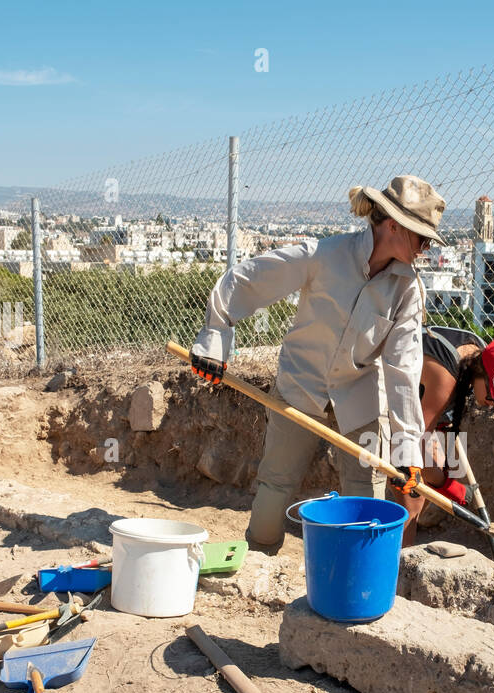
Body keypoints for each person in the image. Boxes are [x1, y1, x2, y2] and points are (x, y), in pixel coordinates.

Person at [190, 176, 447, 548]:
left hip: (360, 399)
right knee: (276, 485)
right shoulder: (323, 256)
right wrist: (215, 338)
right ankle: (258, 561)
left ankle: (356, 582)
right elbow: (249, 279)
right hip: (300, 385)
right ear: (394, 225)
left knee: (366, 499)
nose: (425, 248)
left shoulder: (407, 290)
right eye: (422, 237)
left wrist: (406, 449)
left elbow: (402, 371)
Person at [392, 330, 494, 544]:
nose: (493, 403)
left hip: (413, 407)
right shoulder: (446, 377)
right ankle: (397, 567)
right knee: (413, 499)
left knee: (430, 478)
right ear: (482, 373)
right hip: (379, 395)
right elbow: (412, 443)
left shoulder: (477, 354)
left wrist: (439, 479)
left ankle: (404, 545)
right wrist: (448, 485)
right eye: (493, 394)